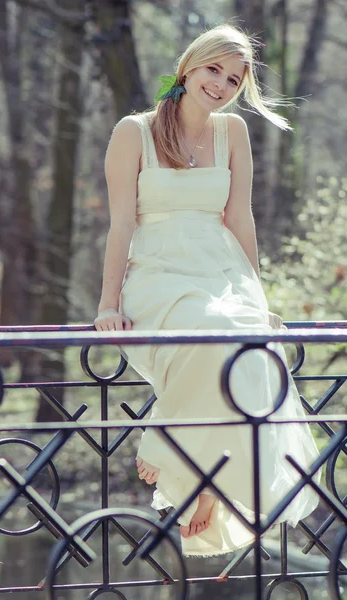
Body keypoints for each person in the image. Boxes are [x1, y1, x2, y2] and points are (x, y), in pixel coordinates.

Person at [94, 24, 320, 556]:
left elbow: (240, 220)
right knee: (211, 331)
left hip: (221, 269)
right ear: (188, 67)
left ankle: (207, 485)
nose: (220, 84)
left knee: (252, 348)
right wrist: (107, 303)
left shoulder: (232, 133)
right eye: (212, 70)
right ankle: (169, 441)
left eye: (233, 79)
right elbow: (121, 224)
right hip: (157, 270)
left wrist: (257, 300)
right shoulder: (135, 131)